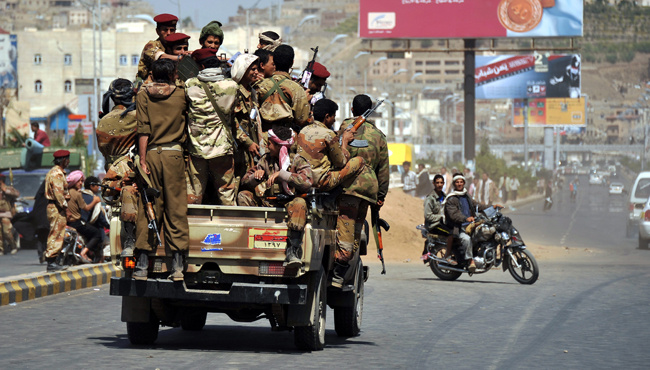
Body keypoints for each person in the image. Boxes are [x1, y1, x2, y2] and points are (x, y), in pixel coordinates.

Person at [135, 58, 189, 281]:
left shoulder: (142, 94)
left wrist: (143, 160)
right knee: (175, 208)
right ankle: (177, 266)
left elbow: (143, 130)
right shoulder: (181, 94)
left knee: (149, 207)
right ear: (172, 74)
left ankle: (141, 265)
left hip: (152, 155)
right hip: (174, 155)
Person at [238, 126, 313, 267]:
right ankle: (250, 241)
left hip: (289, 203)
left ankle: (293, 251)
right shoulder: (265, 160)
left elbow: (307, 181)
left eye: (270, 144)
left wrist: (283, 175)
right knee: (244, 196)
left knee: (300, 203)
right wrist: (255, 177)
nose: (267, 146)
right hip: (268, 202)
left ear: (279, 146)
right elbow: (244, 181)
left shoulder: (297, 160)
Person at [333, 94, 388, 287]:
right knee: (355, 230)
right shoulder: (379, 136)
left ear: (352, 110)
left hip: (348, 187)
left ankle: (339, 270)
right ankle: (346, 267)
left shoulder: (344, 128)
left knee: (345, 229)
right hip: (367, 190)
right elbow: (383, 170)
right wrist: (380, 196)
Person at [185, 48, 240, 205]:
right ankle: (231, 226)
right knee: (227, 193)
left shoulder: (190, 85)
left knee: (194, 195)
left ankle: (194, 227)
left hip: (197, 150)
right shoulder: (231, 86)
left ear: (201, 67)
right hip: (223, 149)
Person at [97, 78, 139, 258]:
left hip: (111, 176)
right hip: (131, 173)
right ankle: (130, 241)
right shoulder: (137, 117)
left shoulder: (103, 121)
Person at [296, 98, 361, 193]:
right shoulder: (328, 134)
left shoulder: (303, 131)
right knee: (359, 161)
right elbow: (341, 162)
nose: (334, 120)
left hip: (303, 180)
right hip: (322, 182)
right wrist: (345, 142)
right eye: (333, 116)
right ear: (327, 117)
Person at [257, 44, 310, 133]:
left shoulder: (260, 85)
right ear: (292, 63)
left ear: (274, 61)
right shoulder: (296, 89)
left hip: (264, 137)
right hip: (286, 139)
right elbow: (301, 119)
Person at [444, 173, 489, 273]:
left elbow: (477, 206)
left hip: (470, 225)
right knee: (467, 239)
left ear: (464, 183)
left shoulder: (466, 195)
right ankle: (470, 260)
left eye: (461, 182)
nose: (459, 184)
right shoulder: (451, 198)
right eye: (457, 182)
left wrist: (492, 207)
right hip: (458, 227)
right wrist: (466, 218)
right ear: (454, 184)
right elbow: (454, 215)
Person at [232, 53, 264, 176]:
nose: (256, 72)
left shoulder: (252, 93)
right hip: (238, 146)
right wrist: (247, 142)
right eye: (253, 69)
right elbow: (231, 121)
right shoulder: (234, 92)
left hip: (250, 146)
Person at [65, 170, 102, 264]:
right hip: (77, 222)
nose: (81, 183)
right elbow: (86, 208)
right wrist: (95, 200)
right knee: (97, 233)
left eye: (81, 181)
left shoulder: (67, 192)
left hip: (68, 222)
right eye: (79, 181)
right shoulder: (77, 194)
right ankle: (84, 252)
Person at [44, 150, 72, 272]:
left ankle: (54, 261)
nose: (69, 162)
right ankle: (51, 261)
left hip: (56, 206)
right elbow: (59, 195)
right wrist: (66, 208)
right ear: (64, 160)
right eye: (67, 159)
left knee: (58, 233)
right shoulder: (57, 174)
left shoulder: (57, 172)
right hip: (57, 207)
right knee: (56, 234)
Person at [135, 13, 179, 83]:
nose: (169, 33)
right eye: (165, 30)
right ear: (158, 31)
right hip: (145, 84)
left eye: (172, 30)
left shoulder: (175, 47)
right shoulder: (151, 45)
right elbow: (160, 56)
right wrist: (179, 58)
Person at [422, 174, 454, 265]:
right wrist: (440, 217)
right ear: (434, 184)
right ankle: (447, 256)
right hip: (434, 225)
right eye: (437, 183)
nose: (439, 185)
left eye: (441, 183)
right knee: (451, 233)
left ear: (444, 183)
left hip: (443, 223)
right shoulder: (430, 198)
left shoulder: (445, 197)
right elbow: (428, 216)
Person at [80, 176, 110, 248]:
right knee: (108, 243)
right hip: (91, 229)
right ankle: (100, 259)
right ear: (91, 186)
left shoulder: (80, 196)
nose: (98, 188)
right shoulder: (94, 199)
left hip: (79, 225)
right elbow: (100, 217)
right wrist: (109, 226)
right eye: (97, 185)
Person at [0, 174, 19, 255]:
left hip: (6, 213)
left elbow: (16, 194)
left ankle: (13, 245)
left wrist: (5, 190)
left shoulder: (8, 188)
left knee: (6, 231)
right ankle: (1, 249)